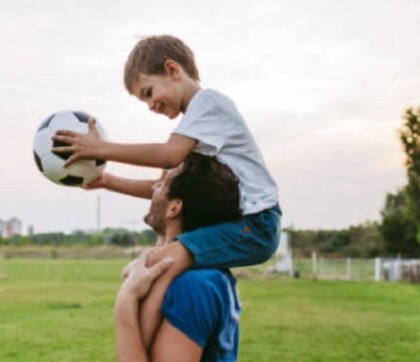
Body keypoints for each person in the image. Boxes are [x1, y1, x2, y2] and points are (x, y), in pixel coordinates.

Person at [54, 35, 281, 344]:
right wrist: (109, 182)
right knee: (158, 261)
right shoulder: (197, 127)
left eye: (149, 92)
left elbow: (169, 154)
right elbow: (169, 191)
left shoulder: (208, 103)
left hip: (255, 225)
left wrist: (102, 149)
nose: (150, 105)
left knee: (162, 264)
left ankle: (139, 347)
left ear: (173, 69)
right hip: (241, 224)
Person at [116, 153, 243, 362]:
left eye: (162, 184)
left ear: (174, 207)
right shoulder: (201, 277)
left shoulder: (195, 285)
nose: (154, 189)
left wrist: (124, 303)